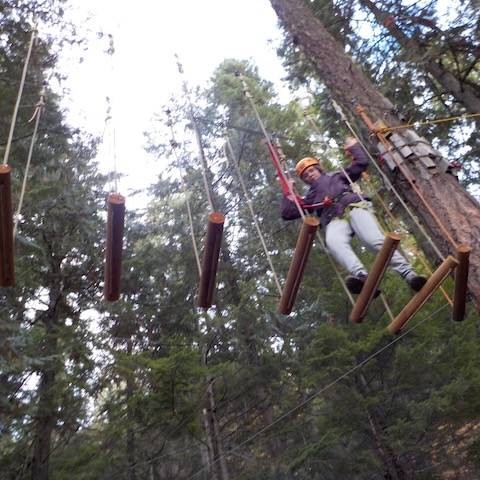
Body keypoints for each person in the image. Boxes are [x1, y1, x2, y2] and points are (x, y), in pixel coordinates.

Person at [281, 136, 427, 295]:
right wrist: (288, 192)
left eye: (311, 170)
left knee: (373, 240)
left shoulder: (336, 176)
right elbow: (288, 213)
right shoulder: (309, 197)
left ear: (318, 169)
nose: (310, 175)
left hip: (352, 206)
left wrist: (353, 146)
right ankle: (361, 276)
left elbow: (361, 163)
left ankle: (408, 273)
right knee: (333, 241)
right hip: (333, 219)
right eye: (306, 176)